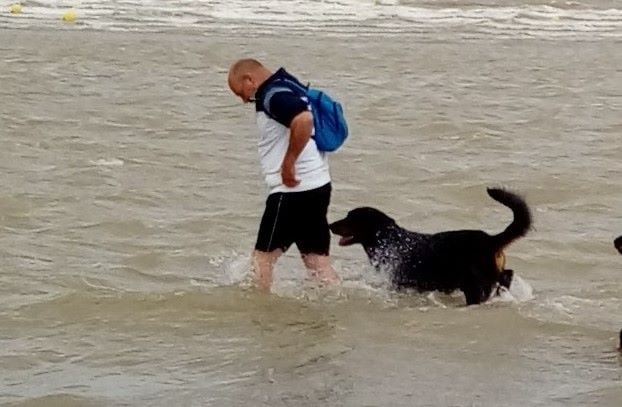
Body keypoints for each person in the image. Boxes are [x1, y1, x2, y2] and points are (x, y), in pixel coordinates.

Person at [227, 58, 340, 292]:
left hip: (292, 192)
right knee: (317, 261)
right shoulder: (290, 85)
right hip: (318, 185)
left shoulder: (272, 95)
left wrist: (288, 163)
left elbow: (303, 120)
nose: (244, 100)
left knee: (261, 259)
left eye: (241, 93)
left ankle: (260, 308)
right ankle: (338, 303)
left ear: (250, 80)